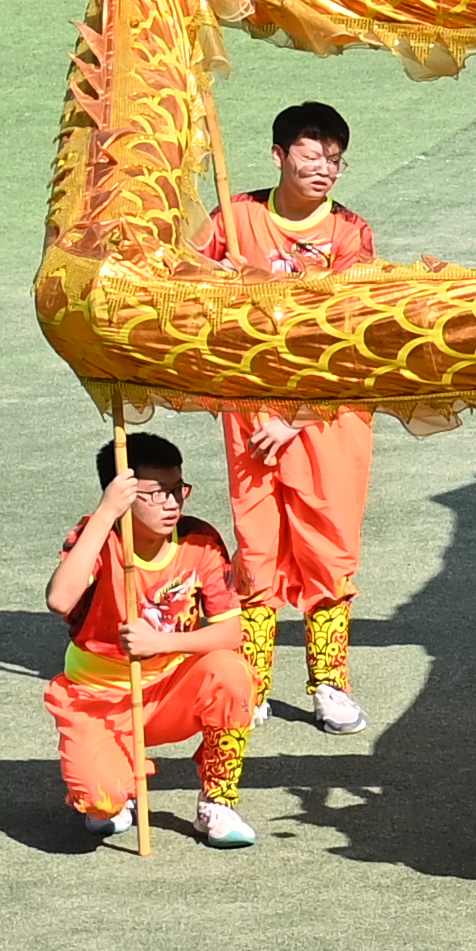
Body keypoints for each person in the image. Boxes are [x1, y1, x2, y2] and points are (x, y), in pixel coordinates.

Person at [191, 99, 378, 733]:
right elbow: (177, 280)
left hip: (328, 413)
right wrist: (210, 275)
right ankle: (255, 682)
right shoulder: (234, 216)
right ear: (279, 155)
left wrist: (294, 416)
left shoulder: (351, 233)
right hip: (249, 409)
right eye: (312, 153)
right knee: (258, 546)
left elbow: (352, 334)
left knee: (329, 547)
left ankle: (329, 684)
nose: (325, 167)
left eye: (335, 158)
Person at [48, 432, 261, 849]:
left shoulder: (199, 540)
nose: (172, 503)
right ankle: (114, 788)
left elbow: (231, 631)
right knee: (101, 802)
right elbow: (59, 599)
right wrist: (106, 513)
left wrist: (159, 644)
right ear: (122, 493)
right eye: (155, 493)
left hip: (167, 691)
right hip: (98, 697)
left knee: (231, 672)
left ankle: (217, 800)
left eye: (177, 489)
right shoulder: (98, 536)